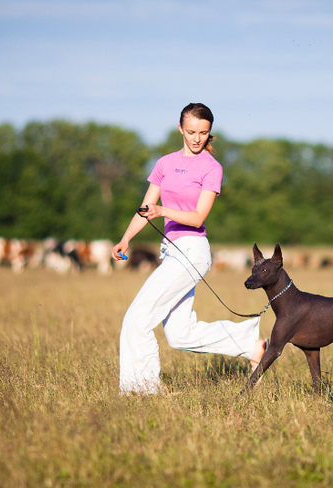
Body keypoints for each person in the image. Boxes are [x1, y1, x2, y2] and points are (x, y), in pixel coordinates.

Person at [112, 103, 267, 395]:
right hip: (170, 250)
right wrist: (126, 238)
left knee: (137, 318)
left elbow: (197, 217)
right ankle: (250, 343)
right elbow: (146, 208)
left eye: (204, 133)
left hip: (192, 250)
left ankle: (142, 390)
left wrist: (162, 211)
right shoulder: (164, 163)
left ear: (210, 133)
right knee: (179, 334)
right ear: (181, 129)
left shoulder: (212, 168)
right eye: (192, 131)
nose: (197, 138)